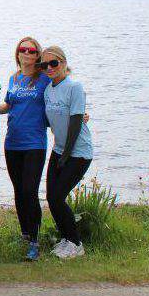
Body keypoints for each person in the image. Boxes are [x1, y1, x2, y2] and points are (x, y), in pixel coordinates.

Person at [41, 46, 94, 259]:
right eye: (45, 65)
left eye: (54, 63)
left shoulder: (74, 87)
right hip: (59, 149)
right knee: (51, 198)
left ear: (63, 63)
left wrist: (66, 155)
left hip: (78, 153)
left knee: (57, 196)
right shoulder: (48, 90)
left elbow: (75, 123)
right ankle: (66, 239)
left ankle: (76, 243)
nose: (50, 68)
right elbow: (49, 120)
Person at [0, 36, 49, 261]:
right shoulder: (14, 78)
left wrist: (78, 115)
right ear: (17, 53)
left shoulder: (45, 79)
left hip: (34, 144)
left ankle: (35, 241)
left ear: (38, 55)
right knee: (19, 191)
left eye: (32, 51)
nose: (27, 53)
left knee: (30, 191)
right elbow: (8, 105)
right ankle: (25, 233)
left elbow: (61, 99)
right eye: (23, 50)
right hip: (13, 143)